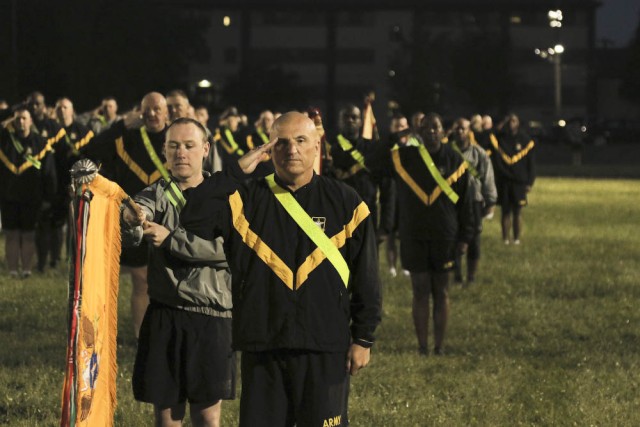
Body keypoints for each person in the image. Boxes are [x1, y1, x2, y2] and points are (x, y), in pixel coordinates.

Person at [179, 111, 382, 426]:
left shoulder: (347, 202)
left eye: (301, 141)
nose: (292, 150)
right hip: (264, 344)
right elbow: (192, 216)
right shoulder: (245, 198)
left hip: (325, 345)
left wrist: (363, 338)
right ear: (269, 150)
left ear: (317, 146)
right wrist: (235, 171)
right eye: (282, 143)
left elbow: (367, 275)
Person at [122, 117, 234, 427]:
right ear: (164, 151)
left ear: (205, 150)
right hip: (165, 315)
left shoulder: (225, 197)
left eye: (188, 145)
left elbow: (231, 252)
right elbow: (134, 220)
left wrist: (172, 240)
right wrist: (132, 217)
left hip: (211, 315)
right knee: (167, 417)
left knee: (207, 417)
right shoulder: (156, 193)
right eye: (173, 146)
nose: (181, 153)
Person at [82, 91, 169, 339]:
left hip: (168, 217)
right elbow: (91, 150)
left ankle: (164, 333)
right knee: (141, 278)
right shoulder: (126, 136)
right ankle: (142, 335)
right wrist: (119, 125)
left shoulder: (174, 138)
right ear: (139, 112)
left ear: (166, 112)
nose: (152, 114)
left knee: (166, 281)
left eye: (157, 109)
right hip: (133, 217)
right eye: (147, 109)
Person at [390, 113, 474, 355]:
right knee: (419, 289)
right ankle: (422, 346)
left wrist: (466, 237)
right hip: (413, 234)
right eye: (425, 128)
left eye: (436, 127)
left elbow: (466, 204)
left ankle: (439, 346)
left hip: (444, 235)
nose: (431, 132)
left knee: (442, 290)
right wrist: (397, 135)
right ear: (419, 131)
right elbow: (375, 158)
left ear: (443, 131)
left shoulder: (455, 160)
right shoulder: (405, 157)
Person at [0, 107, 57, 278]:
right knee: (11, 235)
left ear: (31, 121)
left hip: (32, 197)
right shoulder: (4, 140)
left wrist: (49, 196)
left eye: (24, 118)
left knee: (28, 235)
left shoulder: (41, 143)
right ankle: (11, 270)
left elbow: (49, 172)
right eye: (17, 119)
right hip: (8, 196)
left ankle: (26, 270)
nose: (21, 122)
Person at [45, 97, 95, 270]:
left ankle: (72, 257)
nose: (62, 111)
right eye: (59, 108)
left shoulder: (83, 131)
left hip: (77, 183)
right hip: (56, 183)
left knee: (75, 222)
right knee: (55, 222)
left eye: (65, 107)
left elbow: (91, 157)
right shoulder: (49, 130)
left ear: (72, 110)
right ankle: (54, 258)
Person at [450, 118, 497, 285]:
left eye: (463, 128)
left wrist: (490, 201)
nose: (460, 132)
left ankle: (471, 277)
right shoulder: (448, 152)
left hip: (474, 201)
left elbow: (487, 176)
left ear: (469, 130)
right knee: (453, 238)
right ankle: (456, 275)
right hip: (452, 202)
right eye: (457, 128)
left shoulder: (478, 153)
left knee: (474, 239)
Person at [330, 104, 380, 232]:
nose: (350, 120)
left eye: (354, 117)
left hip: (366, 214)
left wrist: (385, 226)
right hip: (338, 216)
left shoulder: (371, 149)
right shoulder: (329, 151)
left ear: (360, 122)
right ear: (339, 122)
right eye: (346, 117)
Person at [494, 113, 535, 245]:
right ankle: (505, 239)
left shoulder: (525, 140)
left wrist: (529, 182)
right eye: (509, 121)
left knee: (517, 211)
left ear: (518, 123)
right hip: (504, 180)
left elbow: (531, 163)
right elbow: (491, 135)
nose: (511, 123)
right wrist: (503, 122)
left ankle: (516, 239)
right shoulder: (501, 138)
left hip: (519, 181)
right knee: (505, 211)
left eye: (513, 121)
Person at [380, 113, 412, 278]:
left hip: (408, 194)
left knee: (406, 233)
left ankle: (406, 265)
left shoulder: (413, 146)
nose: (400, 130)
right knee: (391, 230)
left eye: (403, 126)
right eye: (397, 126)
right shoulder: (387, 146)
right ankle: (392, 266)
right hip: (391, 192)